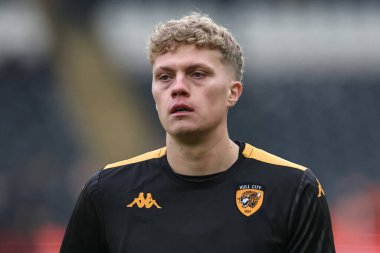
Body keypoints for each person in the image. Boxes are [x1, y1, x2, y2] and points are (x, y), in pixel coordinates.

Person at [60, 13, 335, 253]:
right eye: (164, 77)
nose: (178, 87)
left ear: (232, 93)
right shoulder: (107, 192)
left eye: (198, 74)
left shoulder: (294, 190)